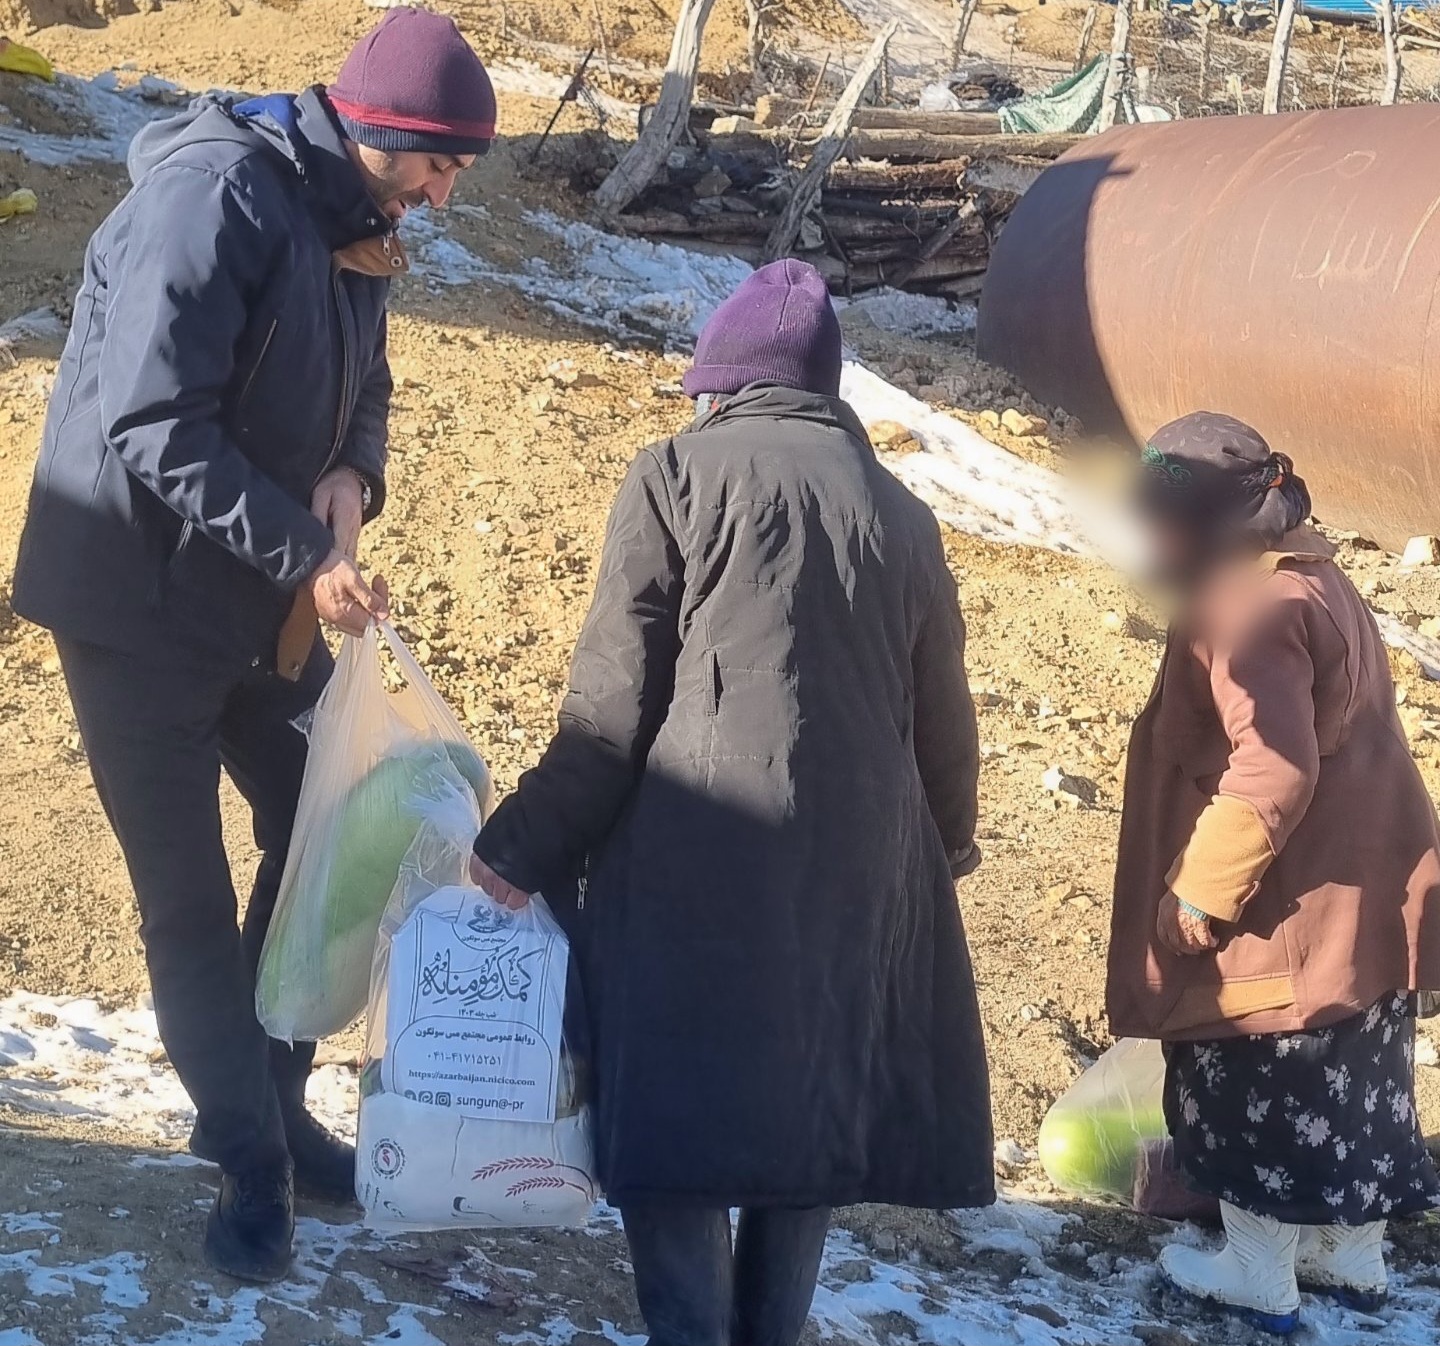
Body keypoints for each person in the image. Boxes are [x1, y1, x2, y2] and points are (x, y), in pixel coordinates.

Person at [9, 7, 496, 1283]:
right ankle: (246, 1160)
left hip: (258, 604)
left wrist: (351, 477)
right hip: (135, 610)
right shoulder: (215, 197)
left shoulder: (355, 218)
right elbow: (150, 419)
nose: (445, 196)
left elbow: (366, 382)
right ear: (385, 131)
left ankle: (271, 1097)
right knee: (188, 896)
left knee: (341, 822)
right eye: (442, 165)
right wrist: (311, 551)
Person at [468, 259, 995, 1345]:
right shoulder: (902, 514)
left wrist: (519, 841)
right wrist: (933, 856)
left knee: (679, 1122)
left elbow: (612, 710)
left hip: (693, 867)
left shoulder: (674, 476)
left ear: (725, 386)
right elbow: (946, 725)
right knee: (807, 1124)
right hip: (861, 876)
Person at [1107, 411, 1440, 1334]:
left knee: (1253, 1070)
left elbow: (1273, 769)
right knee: (1359, 1079)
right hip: (1366, 898)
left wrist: (1203, 889)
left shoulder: (1251, 609)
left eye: (1162, 523)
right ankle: (1352, 1253)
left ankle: (1258, 1267)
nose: (1152, 542)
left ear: (1205, 521)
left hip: (1291, 906)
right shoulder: (1313, 573)